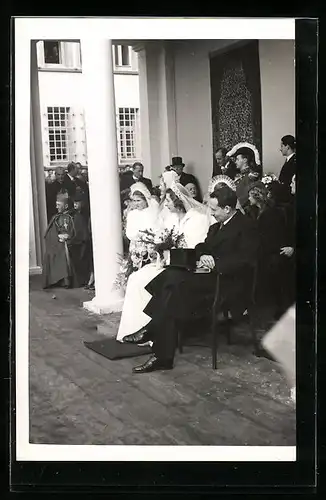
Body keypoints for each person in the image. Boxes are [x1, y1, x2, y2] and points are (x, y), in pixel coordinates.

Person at [122, 185, 259, 373]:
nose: (210, 212)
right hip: (209, 279)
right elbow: (203, 246)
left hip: (228, 283)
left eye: (214, 209)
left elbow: (246, 260)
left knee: (173, 288)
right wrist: (204, 256)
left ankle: (154, 336)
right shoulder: (216, 226)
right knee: (171, 279)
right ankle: (161, 352)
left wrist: (215, 263)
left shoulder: (246, 226)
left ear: (227, 209)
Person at [116, 182, 211, 342]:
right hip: (167, 262)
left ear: (178, 201)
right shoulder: (171, 218)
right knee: (134, 278)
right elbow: (161, 238)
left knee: (145, 282)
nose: (165, 204)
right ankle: (135, 329)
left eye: (168, 201)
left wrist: (168, 253)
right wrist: (157, 250)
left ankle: (154, 333)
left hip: (185, 267)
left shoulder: (197, 219)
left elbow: (194, 249)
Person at [42, 193, 76, 289]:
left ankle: (65, 281)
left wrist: (67, 236)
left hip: (68, 242)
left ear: (65, 206)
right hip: (57, 241)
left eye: (58, 205)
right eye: (56, 204)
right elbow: (49, 233)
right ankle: (57, 280)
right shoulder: (55, 217)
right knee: (51, 251)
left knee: (62, 251)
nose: (56, 207)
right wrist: (57, 237)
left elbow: (74, 232)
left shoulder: (72, 217)